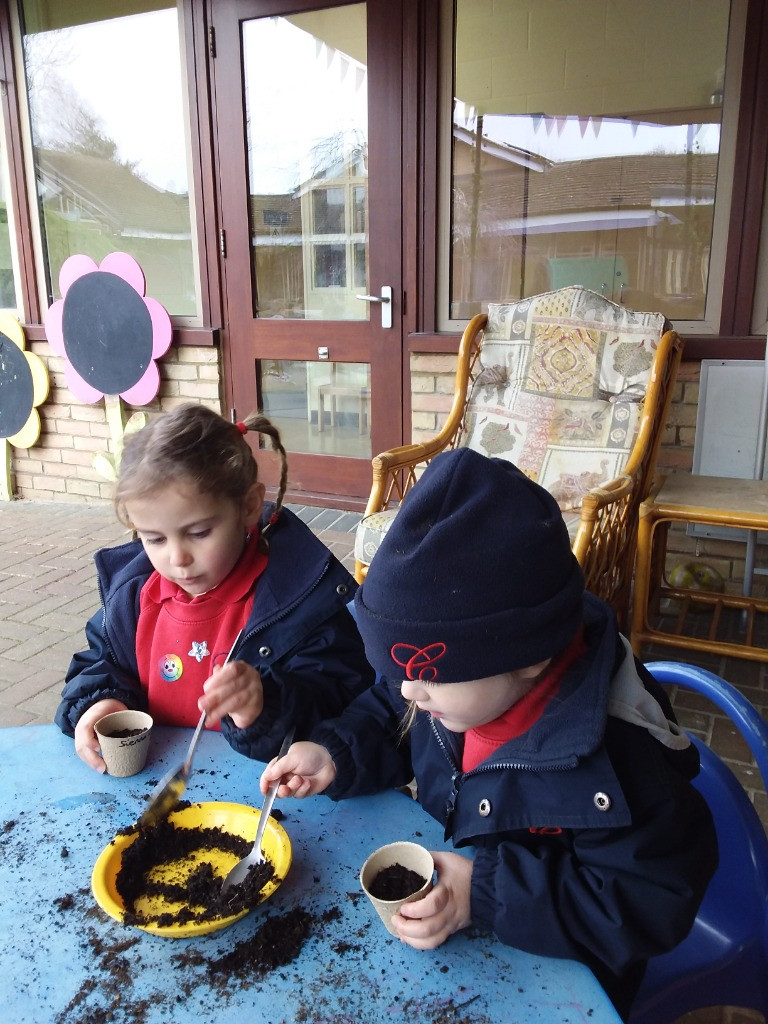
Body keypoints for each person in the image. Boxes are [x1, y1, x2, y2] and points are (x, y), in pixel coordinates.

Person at [260, 447, 718, 1020]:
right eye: (399, 673)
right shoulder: (447, 695)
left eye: (426, 674)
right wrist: (332, 753)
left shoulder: (618, 760)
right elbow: (388, 714)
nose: (408, 692)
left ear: (528, 656)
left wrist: (486, 892)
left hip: (564, 977)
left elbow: (646, 898)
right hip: (458, 941)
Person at [56, 403, 374, 771]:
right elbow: (101, 663)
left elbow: (344, 697)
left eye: (199, 533)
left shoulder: (298, 597)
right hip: (150, 791)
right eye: (154, 539)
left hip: (269, 792)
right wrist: (101, 702)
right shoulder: (134, 596)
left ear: (249, 506)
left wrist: (264, 705)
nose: (177, 558)